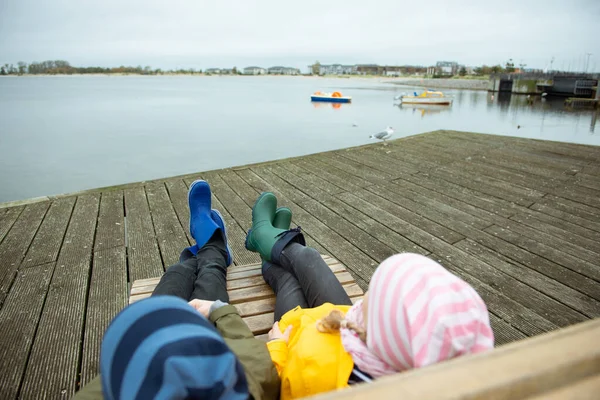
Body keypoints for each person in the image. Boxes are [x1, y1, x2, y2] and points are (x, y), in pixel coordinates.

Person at [245, 192, 495, 399]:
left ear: (388, 336)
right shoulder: (400, 357)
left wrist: (276, 349)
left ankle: (265, 241)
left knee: (290, 278)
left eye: (372, 298)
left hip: (295, 335)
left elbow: (275, 387)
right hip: (341, 328)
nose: (364, 297)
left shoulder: (321, 383)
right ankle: (271, 242)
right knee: (307, 258)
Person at [75, 180, 280, 400]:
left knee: (174, 277)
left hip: (138, 365)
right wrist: (221, 312)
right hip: (202, 362)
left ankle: (207, 247)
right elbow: (258, 365)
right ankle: (212, 246)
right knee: (208, 279)